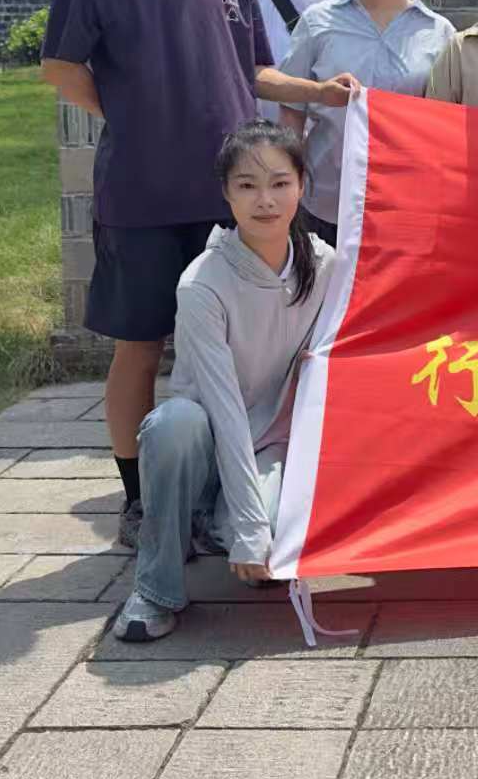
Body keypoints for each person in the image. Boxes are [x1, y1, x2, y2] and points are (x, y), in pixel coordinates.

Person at [41, 0, 358, 551]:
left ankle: (220, 493)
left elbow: (253, 71)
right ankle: (139, 499)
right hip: (144, 195)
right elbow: (59, 66)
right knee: (141, 342)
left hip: (233, 201)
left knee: (231, 349)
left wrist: (318, 92)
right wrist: (130, 113)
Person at [112, 122, 336, 641]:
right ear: (226, 193)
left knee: (275, 544)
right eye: (247, 185)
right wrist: (251, 529)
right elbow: (225, 408)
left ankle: (213, 524)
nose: (265, 200)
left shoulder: (325, 266)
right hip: (206, 438)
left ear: (302, 185)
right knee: (173, 424)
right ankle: (156, 587)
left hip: (270, 446)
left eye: (280, 183)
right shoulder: (202, 283)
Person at [279, 0, 456, 244]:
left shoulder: (439, 33)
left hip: (406, 206)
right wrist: (287, 180)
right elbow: (291, 108)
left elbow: (447, 127)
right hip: (325, 202)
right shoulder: (319, 22)